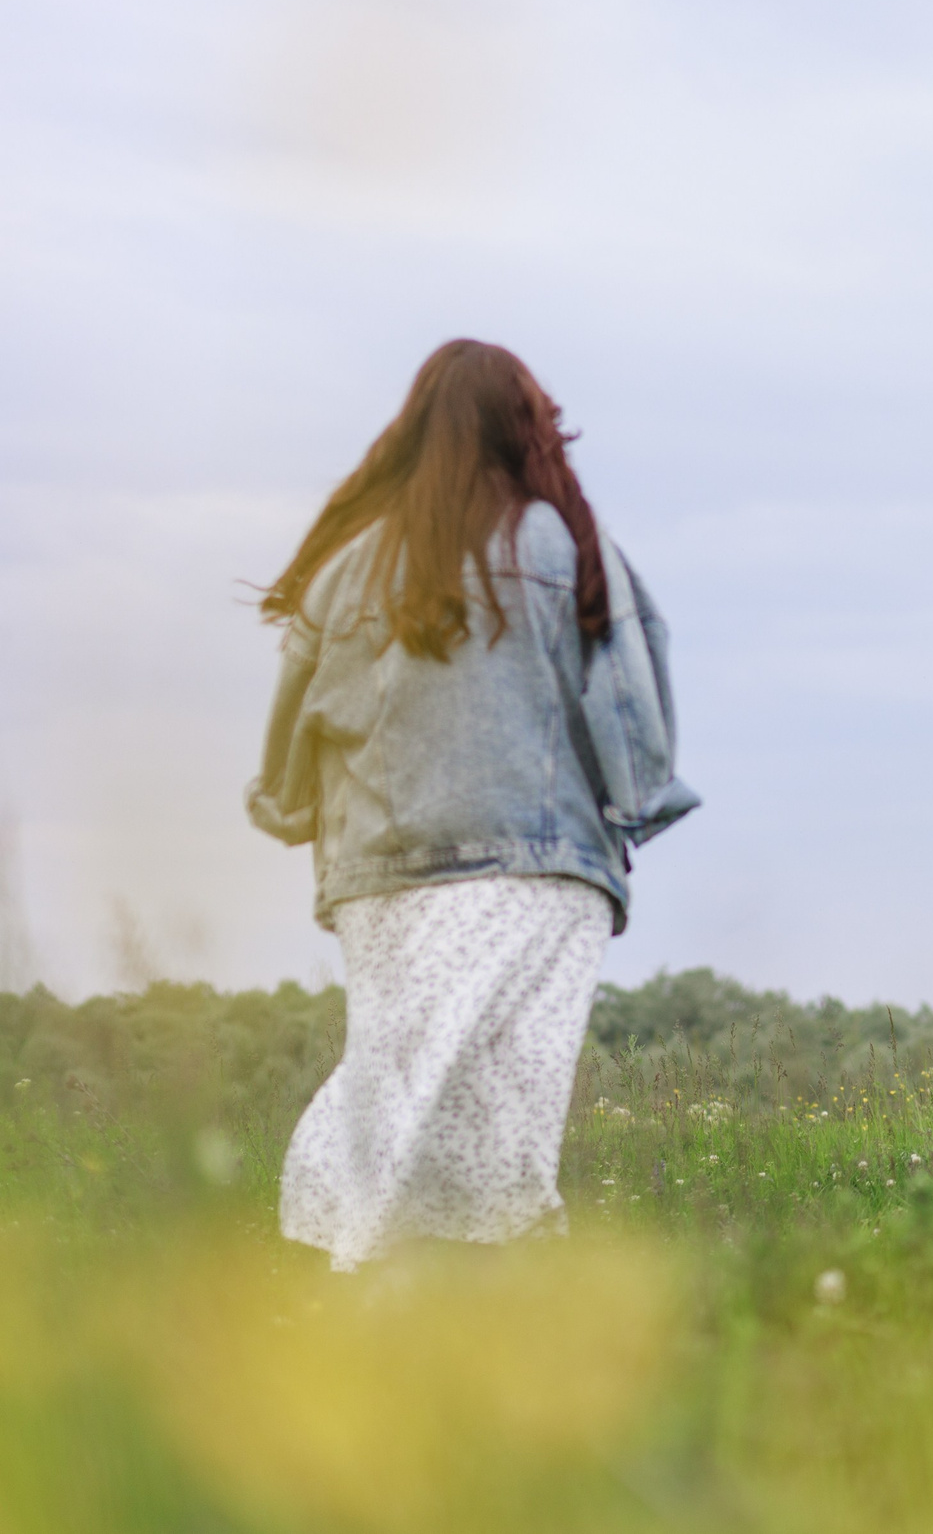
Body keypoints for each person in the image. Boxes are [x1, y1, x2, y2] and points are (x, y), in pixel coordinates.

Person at [246, 339, 699, 1270]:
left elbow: (294, 748)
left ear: (411, 432)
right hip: (536, 875)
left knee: (397, 1082)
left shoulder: (348, 570)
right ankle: (434, 1302)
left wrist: (290, 810)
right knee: (503, 1110)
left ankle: (378, 1300)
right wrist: (635, 804)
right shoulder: (562, 542)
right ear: (526, 428)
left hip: (381, 882)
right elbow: (625, 702)